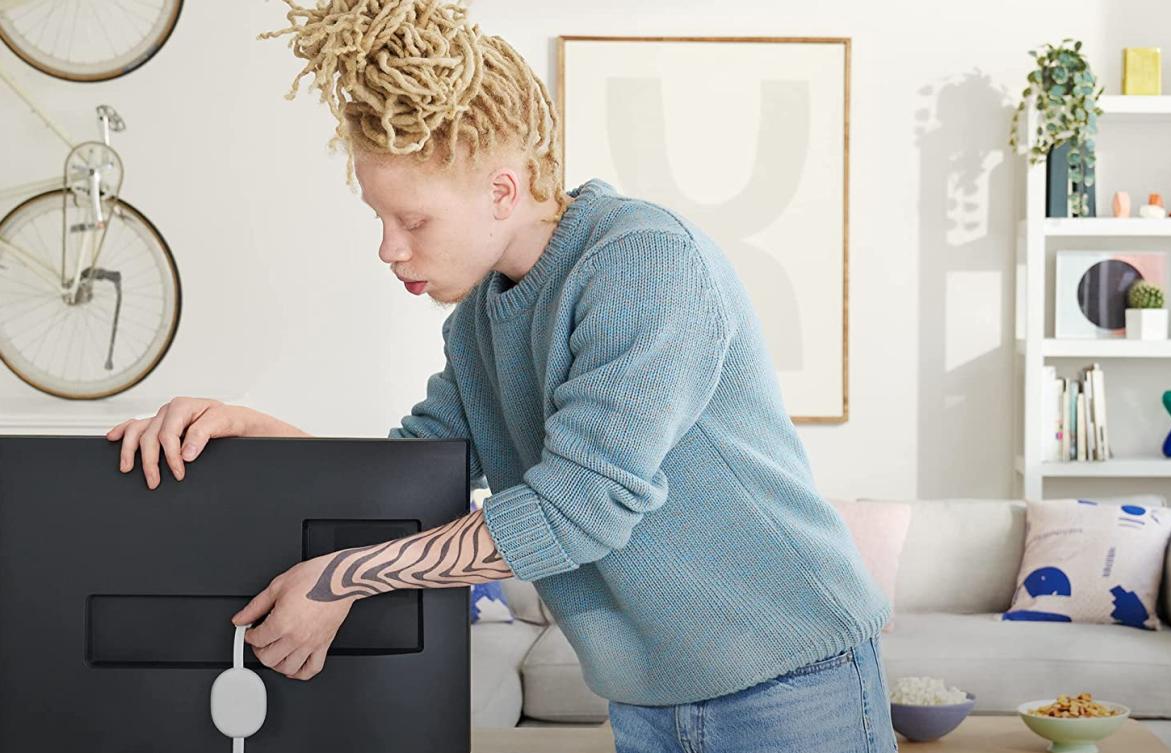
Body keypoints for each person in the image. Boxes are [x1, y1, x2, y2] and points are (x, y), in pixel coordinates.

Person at [106, 1, 897, 750]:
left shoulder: (644, 263)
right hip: (647, 698)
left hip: (791, 679)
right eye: (380, 218)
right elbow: (412, 474)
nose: (388, 248)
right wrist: (254, 430)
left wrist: (343, 577)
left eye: (413, 220)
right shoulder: (479, 323)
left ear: (502, 191)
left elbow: (578, 509)